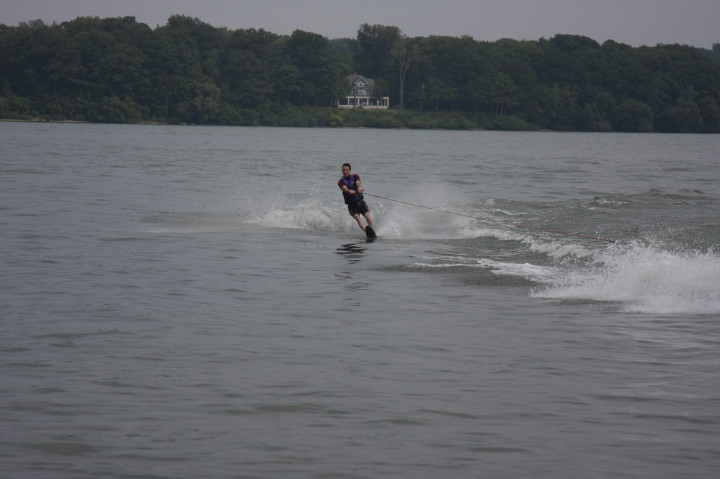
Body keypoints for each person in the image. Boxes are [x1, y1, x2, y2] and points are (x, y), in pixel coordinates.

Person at [338, 162, 376, 233]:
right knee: (357, 217)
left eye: (346, 170)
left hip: (361, 202)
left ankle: (373, 231)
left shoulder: (355, 176)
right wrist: (349, 191)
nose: (345, 172)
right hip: (352, 206)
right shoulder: (340, 181)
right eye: (343, 170)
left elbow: (358, 183)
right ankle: (366, 232)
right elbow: (344, 188)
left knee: (368, 216)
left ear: (350, 171)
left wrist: (359, 188)